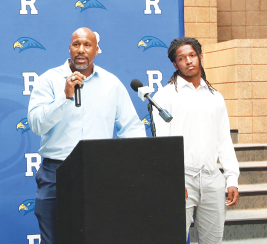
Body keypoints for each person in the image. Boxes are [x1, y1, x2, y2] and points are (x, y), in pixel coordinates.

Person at [27, 27, 146, 244]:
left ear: (97, 50)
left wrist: (136, 166)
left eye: (87, 45)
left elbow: (132, 127)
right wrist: (64, 96)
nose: (81, 50)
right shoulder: (49, 80)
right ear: (69, 49)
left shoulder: (112, 84)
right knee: (53, 239)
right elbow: (36, 125)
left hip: (99, 173)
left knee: (97, 237)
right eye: (76, 44)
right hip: (56, 172)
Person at [152, 37, 240, 243]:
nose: (188, 61)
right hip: (182, 179)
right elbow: (162, 144)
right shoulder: (165, 96)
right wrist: (173, 178)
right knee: (173, 237)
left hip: (212, 179)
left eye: (192, 55)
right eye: (181, 58)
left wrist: (232, 178)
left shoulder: (215, 97)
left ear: (200, 57)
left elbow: (224, 140)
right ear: (175, 64)